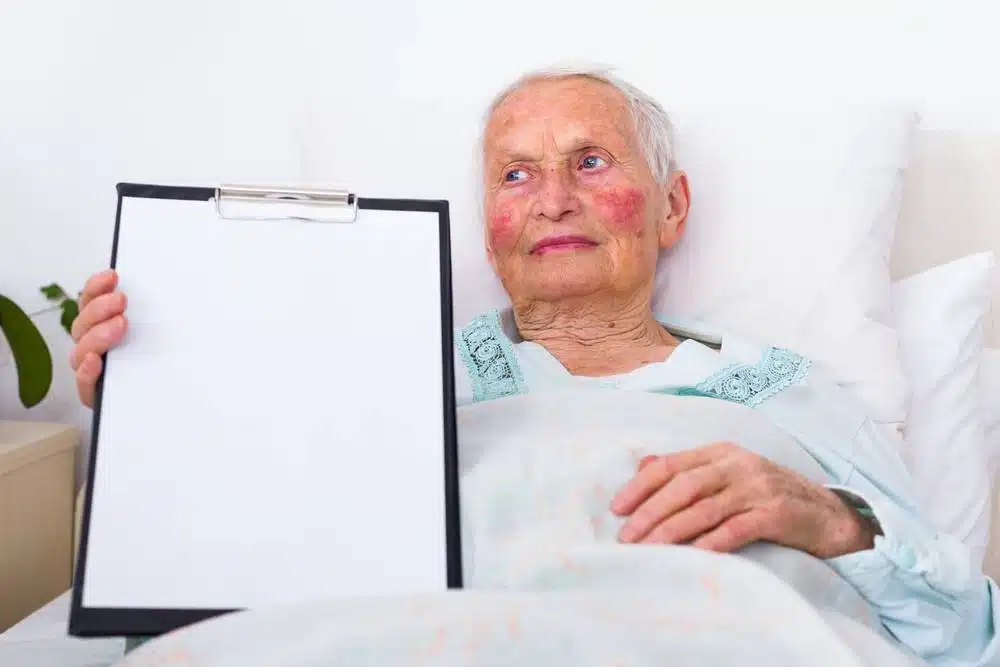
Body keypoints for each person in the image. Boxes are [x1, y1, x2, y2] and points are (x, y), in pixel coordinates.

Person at [69, 67, 1000, 665]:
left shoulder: (793, 392)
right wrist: (161, 410)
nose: (553, 199)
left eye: (590, 161)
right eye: (515, 175)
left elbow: (963, 630)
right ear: (490, 230)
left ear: (671, 208)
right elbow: (215, 578)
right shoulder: (379, 370)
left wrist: (829, 517)